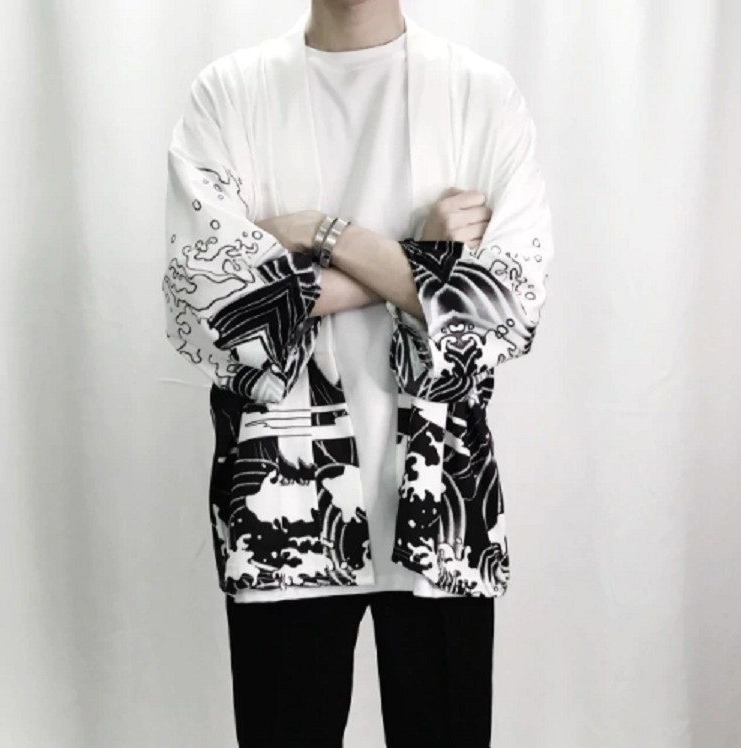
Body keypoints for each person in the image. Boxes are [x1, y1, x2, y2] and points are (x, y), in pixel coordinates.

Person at [161, 1, 554, 745]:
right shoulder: (230, 92)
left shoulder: (479, 93)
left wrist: (320, 232)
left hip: (442, 499)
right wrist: (426, 262)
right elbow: (212, 310)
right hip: (281, 504)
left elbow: (508, 310)